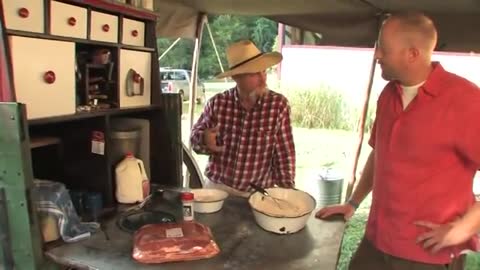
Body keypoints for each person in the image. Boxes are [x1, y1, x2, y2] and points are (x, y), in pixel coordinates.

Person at [316, 12, 480, 270]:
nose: (377, 55)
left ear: (412, 54)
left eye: (384, 48)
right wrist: (352, 203)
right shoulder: (389, 94)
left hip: (427, 255)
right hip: (376, 242)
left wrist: (463, 229)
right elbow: (380, 154)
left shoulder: (466, 100)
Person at [190, 40, 295, 197]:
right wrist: (204, 139)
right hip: (217, 188)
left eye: (264, 71)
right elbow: (194, 142)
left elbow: (284, 153)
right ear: (236, 77)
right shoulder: (218, 103)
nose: (262, 78)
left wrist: (287, 193)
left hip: (256, 193)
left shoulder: (278, 105)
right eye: (254, 73)